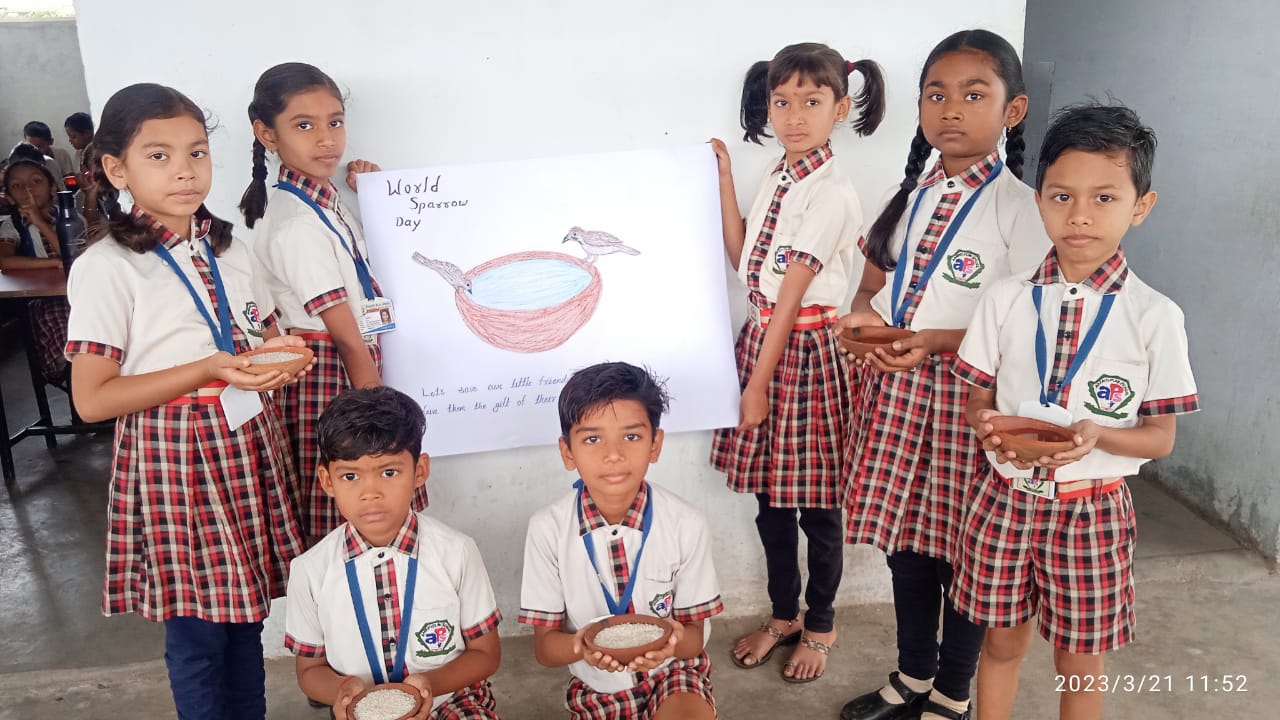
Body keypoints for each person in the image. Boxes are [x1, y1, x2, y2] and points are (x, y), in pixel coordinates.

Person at [64, 82, 308, 720]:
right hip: (175, 457)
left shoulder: (228, 247)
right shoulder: (108, 266)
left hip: (246, 439)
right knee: (198, 632)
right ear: (116, 168)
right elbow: (92, 400)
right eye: (159, 155)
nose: (183, 170)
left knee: (246, 617)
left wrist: (279, 356)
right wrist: (206, 368)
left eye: (197, 153)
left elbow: (260, 331)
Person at [950, 103, 1199, 720]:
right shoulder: (1005, 299)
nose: (1080, 214)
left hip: (1091, 511)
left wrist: (1098, 435)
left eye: (1105, 197)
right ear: (1040, 200)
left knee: (1080, 663)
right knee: (1001, 642)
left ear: (1140, 206)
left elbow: (1159, 438)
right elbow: (977, 398)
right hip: (1003, 499)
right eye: (1061, 195)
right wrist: (987, 426)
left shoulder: (1154, 316)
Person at [838, 30, 1051, 720]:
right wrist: (864, 325)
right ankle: (911, 675)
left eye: (973, 93)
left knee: (963, 554)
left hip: (968, 399)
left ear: (1012, 111)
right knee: (906, 544)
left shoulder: (1021, 210)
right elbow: (874, 288)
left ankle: (954, 693)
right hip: (898, 390)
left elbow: (1030, 326)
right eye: (936, 93)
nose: (950, 108)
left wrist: (932, 340)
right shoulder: (915, 192)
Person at [709, 42, 885, 683]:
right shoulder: (778, 177)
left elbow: (789, 298)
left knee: (818, 508)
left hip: (805, 353)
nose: (793, 115)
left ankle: (820, 623)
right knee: (770, 503)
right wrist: (726, 182)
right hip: (764, 342)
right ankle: (782, 614)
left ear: (839, 108)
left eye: (811, 101)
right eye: (782, 101)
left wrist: (755, 387)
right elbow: (742, 260)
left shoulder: (832, 192)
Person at [239, 61, 421, 539]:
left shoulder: (321, 198)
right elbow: (346, 338)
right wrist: (383, 423)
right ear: (267, 134)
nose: (326, 140)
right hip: (337, 373)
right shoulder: (295, 222)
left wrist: (373, 192)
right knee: (360, 503)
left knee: (368, 509)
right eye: (304, 125)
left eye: (335, 122)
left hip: (353, 365)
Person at [520, 362, 722, 719]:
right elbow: (546, 650)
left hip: (673, 672)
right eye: (592, 439)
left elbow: (692, 639)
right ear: (568, 452)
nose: (613, 454)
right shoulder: (548, 529)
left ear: (655, 445)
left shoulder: (685, 523)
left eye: (631, 436)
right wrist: (581, 647)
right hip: (596, 686)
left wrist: (671, 641)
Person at [285, 386, 503, 719]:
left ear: (419, 472)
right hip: (360, 710)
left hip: (450, 699)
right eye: (350, 476)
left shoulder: (456, 552)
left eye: (389, 472)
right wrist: (342, 693)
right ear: (327, 482)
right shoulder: (310, 570)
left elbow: (486, 654)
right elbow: (309, 670)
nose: (370, 492)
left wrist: (427, 684)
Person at [0, 157, 70, 385]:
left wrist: (40, 223)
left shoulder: (69, 217)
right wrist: (52, 263)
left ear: (52, 188)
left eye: (36, 181)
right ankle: (72, 370)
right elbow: (5, 261)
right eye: (17, 186)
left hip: (80, 293)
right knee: (57, 314)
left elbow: (70, 256)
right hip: (45, 301)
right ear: (9, 197)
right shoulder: (13, 225)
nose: (27, 189)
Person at [64, 111, 96, 182]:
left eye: (73, 136)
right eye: (69, 137)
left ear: (87, 133)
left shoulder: (95, 152)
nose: (70, 140)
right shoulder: (79, 153)